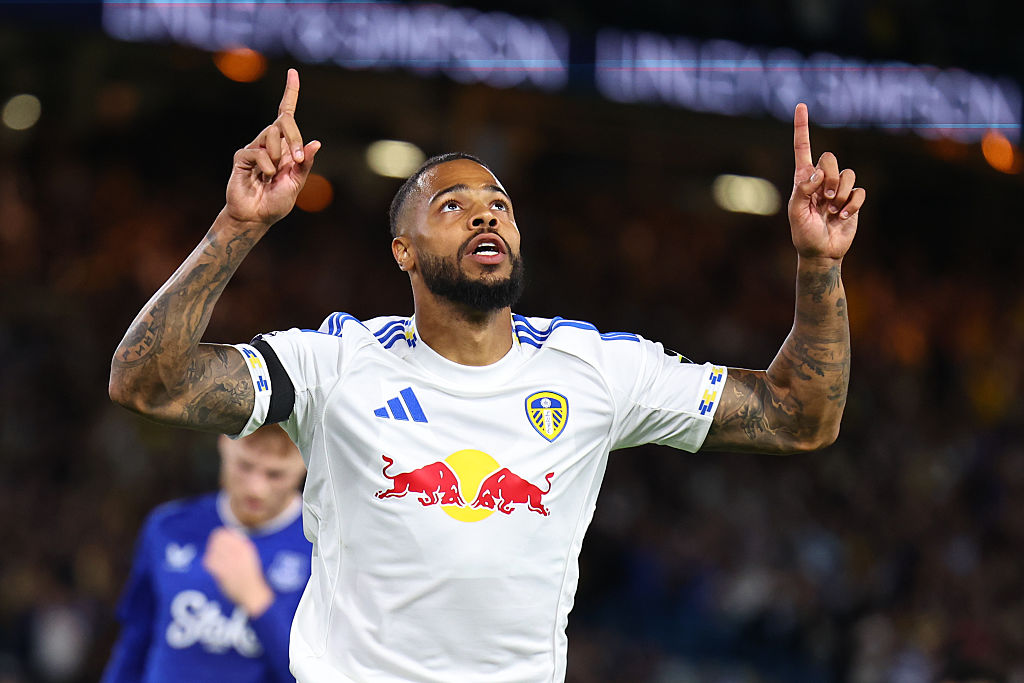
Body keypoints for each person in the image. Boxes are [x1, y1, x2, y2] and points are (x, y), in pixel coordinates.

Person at [108, 68, 865, 682]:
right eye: (453, 204)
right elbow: (150, 383)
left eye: (499, 205)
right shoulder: (334, 361)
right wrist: (238, 226)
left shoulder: (597, 368)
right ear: (403, 250)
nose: (485, 215)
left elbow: (799, 416)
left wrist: (819, 265)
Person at [101, 425, 310, 683]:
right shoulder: (168, 527)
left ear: (304, 462)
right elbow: (134, 644)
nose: (256, 488)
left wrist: (258, 601)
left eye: (275, 475)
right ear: (224, 445)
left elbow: (317, 674)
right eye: (245, 466)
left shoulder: (323, 548)